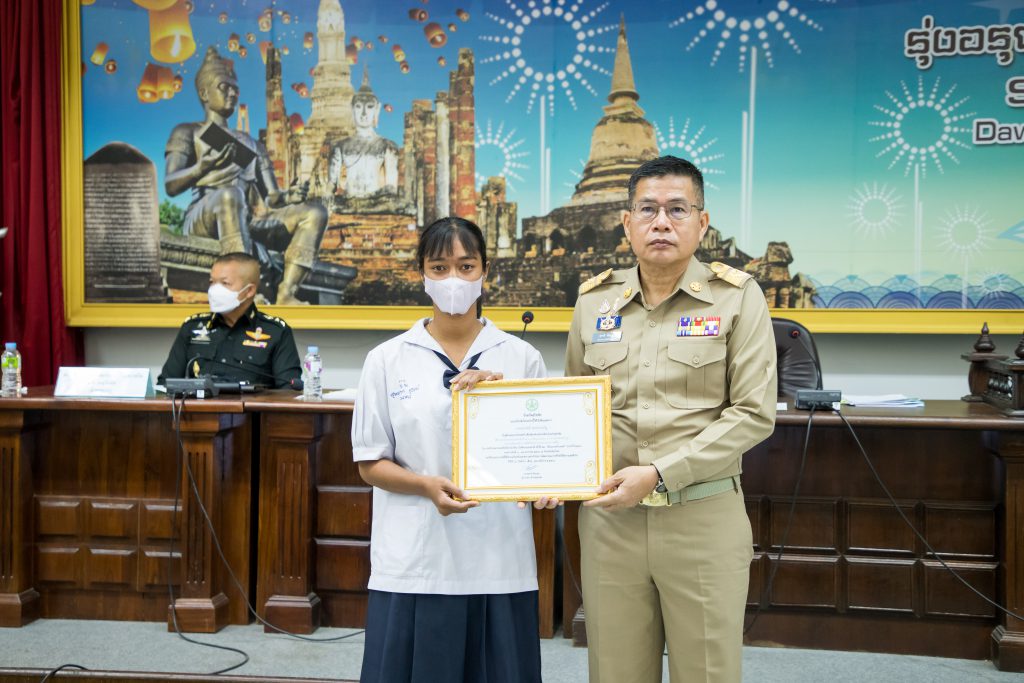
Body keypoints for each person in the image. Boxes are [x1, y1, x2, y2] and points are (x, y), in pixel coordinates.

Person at [564, 156, 777, 683]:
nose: (661, 222)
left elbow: (753, 414)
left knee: (706, 671)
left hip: (700, 517)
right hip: (612, 524)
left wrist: (660, 474)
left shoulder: (737, 297)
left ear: (702, 223)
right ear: (627, 222)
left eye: (677, 209)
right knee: (614, 671)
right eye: (648, 209)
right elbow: (574, 407)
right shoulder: (594, 302)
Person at [352, 217, 554, 682]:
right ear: (421, 274)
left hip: (499, 556)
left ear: (485, 271)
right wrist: (425, 485)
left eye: (466, 266)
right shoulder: (386, 359)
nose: (454, 280)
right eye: (439, 267)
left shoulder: (521, 358)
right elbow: (370, 462)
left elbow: (541, 459)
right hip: (415, 557)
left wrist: (547, 486)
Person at [164, 47, 328, 304]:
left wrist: (289, 196)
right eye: (224, 87)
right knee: (230, 195)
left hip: (245, 218)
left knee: (315, 213)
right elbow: (171, 185)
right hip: (205, 215)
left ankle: (287, 291)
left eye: (235, 89)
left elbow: (272, 198)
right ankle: (241, 291)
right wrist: (201, 168)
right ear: (204, 93)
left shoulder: (251, 144)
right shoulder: (189, 132)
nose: (232, 93)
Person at [158, 252, 301, 389]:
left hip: (251, 407)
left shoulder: (276, 332)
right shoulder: (193, 327)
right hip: (200, 406)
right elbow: (165, 385)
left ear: (249, 291)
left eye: (225, 283)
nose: (214, 290)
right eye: (212, 282)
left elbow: (289, 392)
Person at [327, 66, 399, 199]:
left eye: (370, 107)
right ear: (352, 109)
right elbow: (331, 187)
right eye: (359, 107)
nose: (364, 114)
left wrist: (379, 195)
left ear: (377, 110)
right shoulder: (340, 147)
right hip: (347, 202)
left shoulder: (388, 146)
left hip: (377, 202)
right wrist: (328, 193)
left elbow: (391, 188)